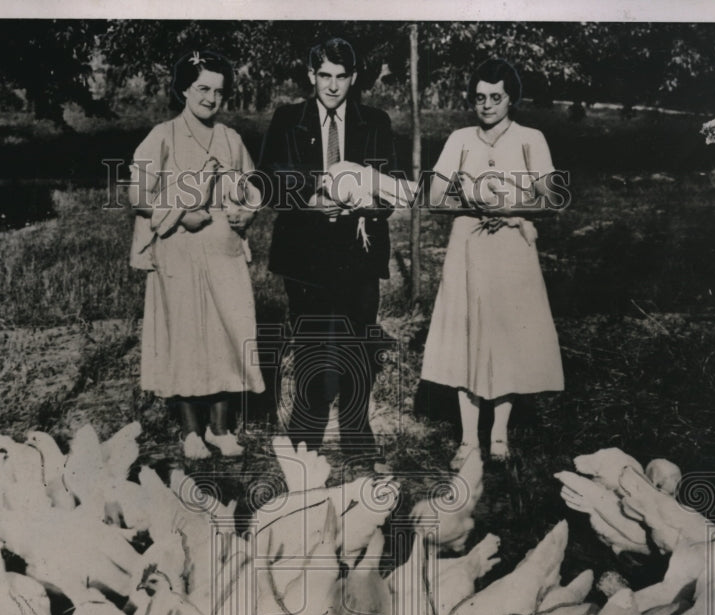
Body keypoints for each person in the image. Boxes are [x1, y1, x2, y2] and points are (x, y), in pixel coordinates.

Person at [258, 37, 397, 462]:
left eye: (341, 77)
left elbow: (390, 189)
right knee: (312, 344)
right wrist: (316, 191)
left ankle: (356, 433)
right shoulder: (289, 119)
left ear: (353, 78)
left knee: (359, 342)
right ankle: (307, 435)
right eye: (324, 75)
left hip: (359, 250)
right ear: (310, 75)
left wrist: (364, 200)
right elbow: (268, 181)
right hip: (306, 251)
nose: (333, 86)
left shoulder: (375, 121)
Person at [420, 59, 565, 468]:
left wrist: (510, 206)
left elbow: (552, 198)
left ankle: (499, 433)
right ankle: (468, 439)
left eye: (495, 97)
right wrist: (474, 200)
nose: (486, 105)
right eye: (479, 97)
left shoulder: (530, 139)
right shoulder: (460, 139)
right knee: (466, 335)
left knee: (507, 335)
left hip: (511, 246)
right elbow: (434, 197)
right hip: (468, 242)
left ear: (511, 99)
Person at [127, 50, 265, 460]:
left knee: (227, 332)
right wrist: (180, 212)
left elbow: (251, 187)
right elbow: (137, 194)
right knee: (186, 335)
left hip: (223, 250)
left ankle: (220, 429)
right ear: (184, 89)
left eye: (218, 91)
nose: (210, 98)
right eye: (202, 88)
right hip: (179, 250)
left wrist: (248, 210)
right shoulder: (164, 135)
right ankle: (190, 432)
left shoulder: (230, 138)